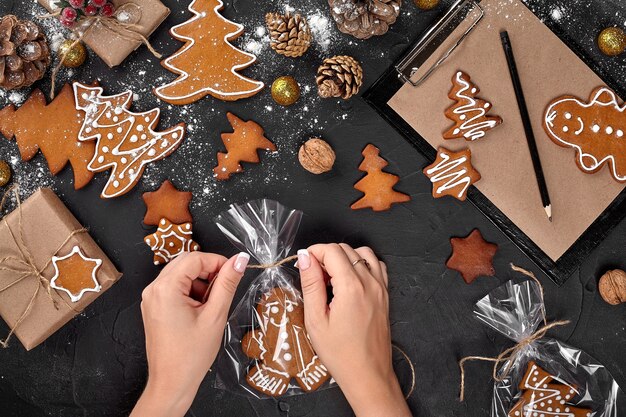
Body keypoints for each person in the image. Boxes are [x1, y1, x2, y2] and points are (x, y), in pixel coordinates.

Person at [131, 243, 412, 417]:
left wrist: (165, 391)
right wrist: (376, 385)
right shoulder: (264, 328)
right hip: (274, 372)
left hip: (309, 367)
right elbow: (252, 344)